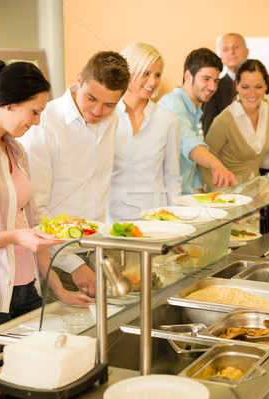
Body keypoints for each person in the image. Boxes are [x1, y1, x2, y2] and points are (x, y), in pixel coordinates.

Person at [0, 61, 92, 353]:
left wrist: (57, 288)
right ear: (9, 103)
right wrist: (14, 237)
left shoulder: (16, 150)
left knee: (31, 375)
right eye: (35, 112)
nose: (37, 122)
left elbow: (31, 227)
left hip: (27, 289)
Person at [19, 51, 130, 297]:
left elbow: (99, 187)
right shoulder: (43, 124)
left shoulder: (112, 121)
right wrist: (73, 264)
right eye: (91, 98)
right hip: (57, 261)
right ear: (79, 79)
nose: (98, 111)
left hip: (97, 249)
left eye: (110, 104)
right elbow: (34, 209)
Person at [107, 42, 181, 222]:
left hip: (154, 222)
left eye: (157, 75)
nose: (153, 82)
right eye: (145, 73)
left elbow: (172, 178)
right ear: (127, 72)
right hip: (109, 222)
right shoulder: (105, 117)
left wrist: (176, 223)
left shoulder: (169, 121)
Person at [159, 48, 236, 195]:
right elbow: (187, 141)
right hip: (165, 201)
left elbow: (190, 167)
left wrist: (202, 202)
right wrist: (216, 165)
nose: (212, 87)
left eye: (216, 81)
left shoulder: (194, 111)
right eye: (206, 79)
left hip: (183, 199)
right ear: (188, 76)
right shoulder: (172, 103)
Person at [201, 59, 269, 190]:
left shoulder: (267, 110)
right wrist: (223, 196)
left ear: (267, 86)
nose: (252, 93)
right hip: (228, 196)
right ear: (237, 86)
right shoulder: (225, 120)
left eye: (258, 87)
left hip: (254, 193)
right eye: (245, 87)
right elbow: (203, 164)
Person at [201, 33, 249, 136]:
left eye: (236, 47)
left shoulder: (262, 84)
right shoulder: (214, 88)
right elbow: (209, 129)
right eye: (226, 49)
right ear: (221, 57)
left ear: (246, 52)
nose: (231, 52)